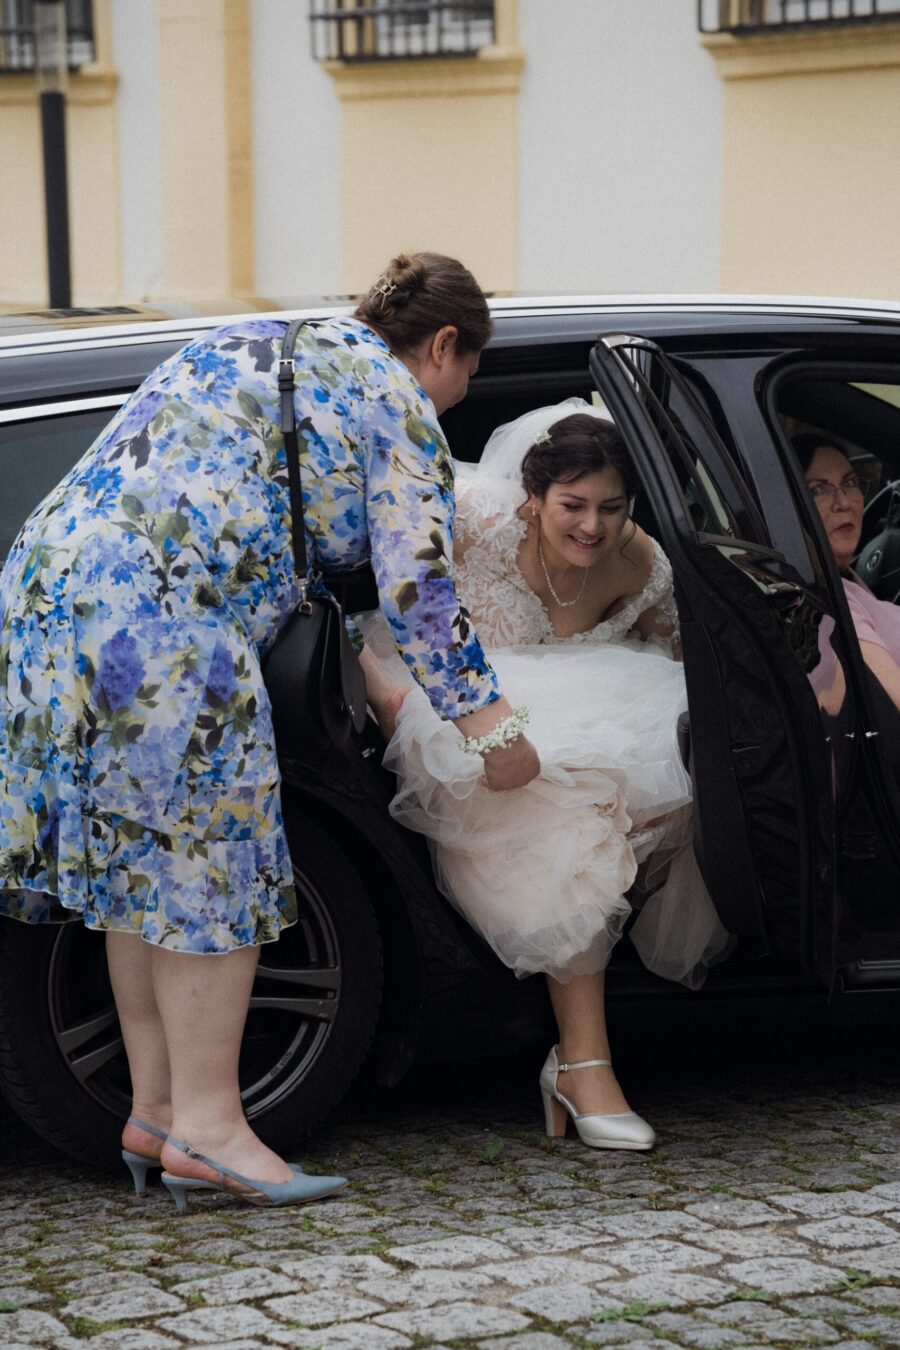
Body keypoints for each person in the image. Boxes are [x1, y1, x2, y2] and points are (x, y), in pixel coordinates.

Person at [0, 252, 539, 1210]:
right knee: (216, 864)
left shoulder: (249, 338)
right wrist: (492, 729)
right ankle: (210, 1128)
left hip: (47, 589)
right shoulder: (393, 396)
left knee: (142, 868)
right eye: (468, 375)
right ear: (444, 346)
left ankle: (158, 1113)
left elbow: (261, 506)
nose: (459, 397)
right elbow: (417, 589)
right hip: (163, 615)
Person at [360, 400, 732, 1152]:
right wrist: (390, 698)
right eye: (572, 506)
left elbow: (685, 652)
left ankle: (578, 1062)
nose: (592, 527)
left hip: (593, 715)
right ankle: (585, 1066)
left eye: (611, 508)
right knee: (568, 825)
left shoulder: (642, 564)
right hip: (466, 716)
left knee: (640, 787)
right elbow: (377, 591)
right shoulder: (473, 519)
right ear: (532, 499)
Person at [794, 434, 900, 713]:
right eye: (818, 489)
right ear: (790, 505)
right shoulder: (831, 604)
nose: (843, 502)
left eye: (850, 483)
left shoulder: (842, 576)